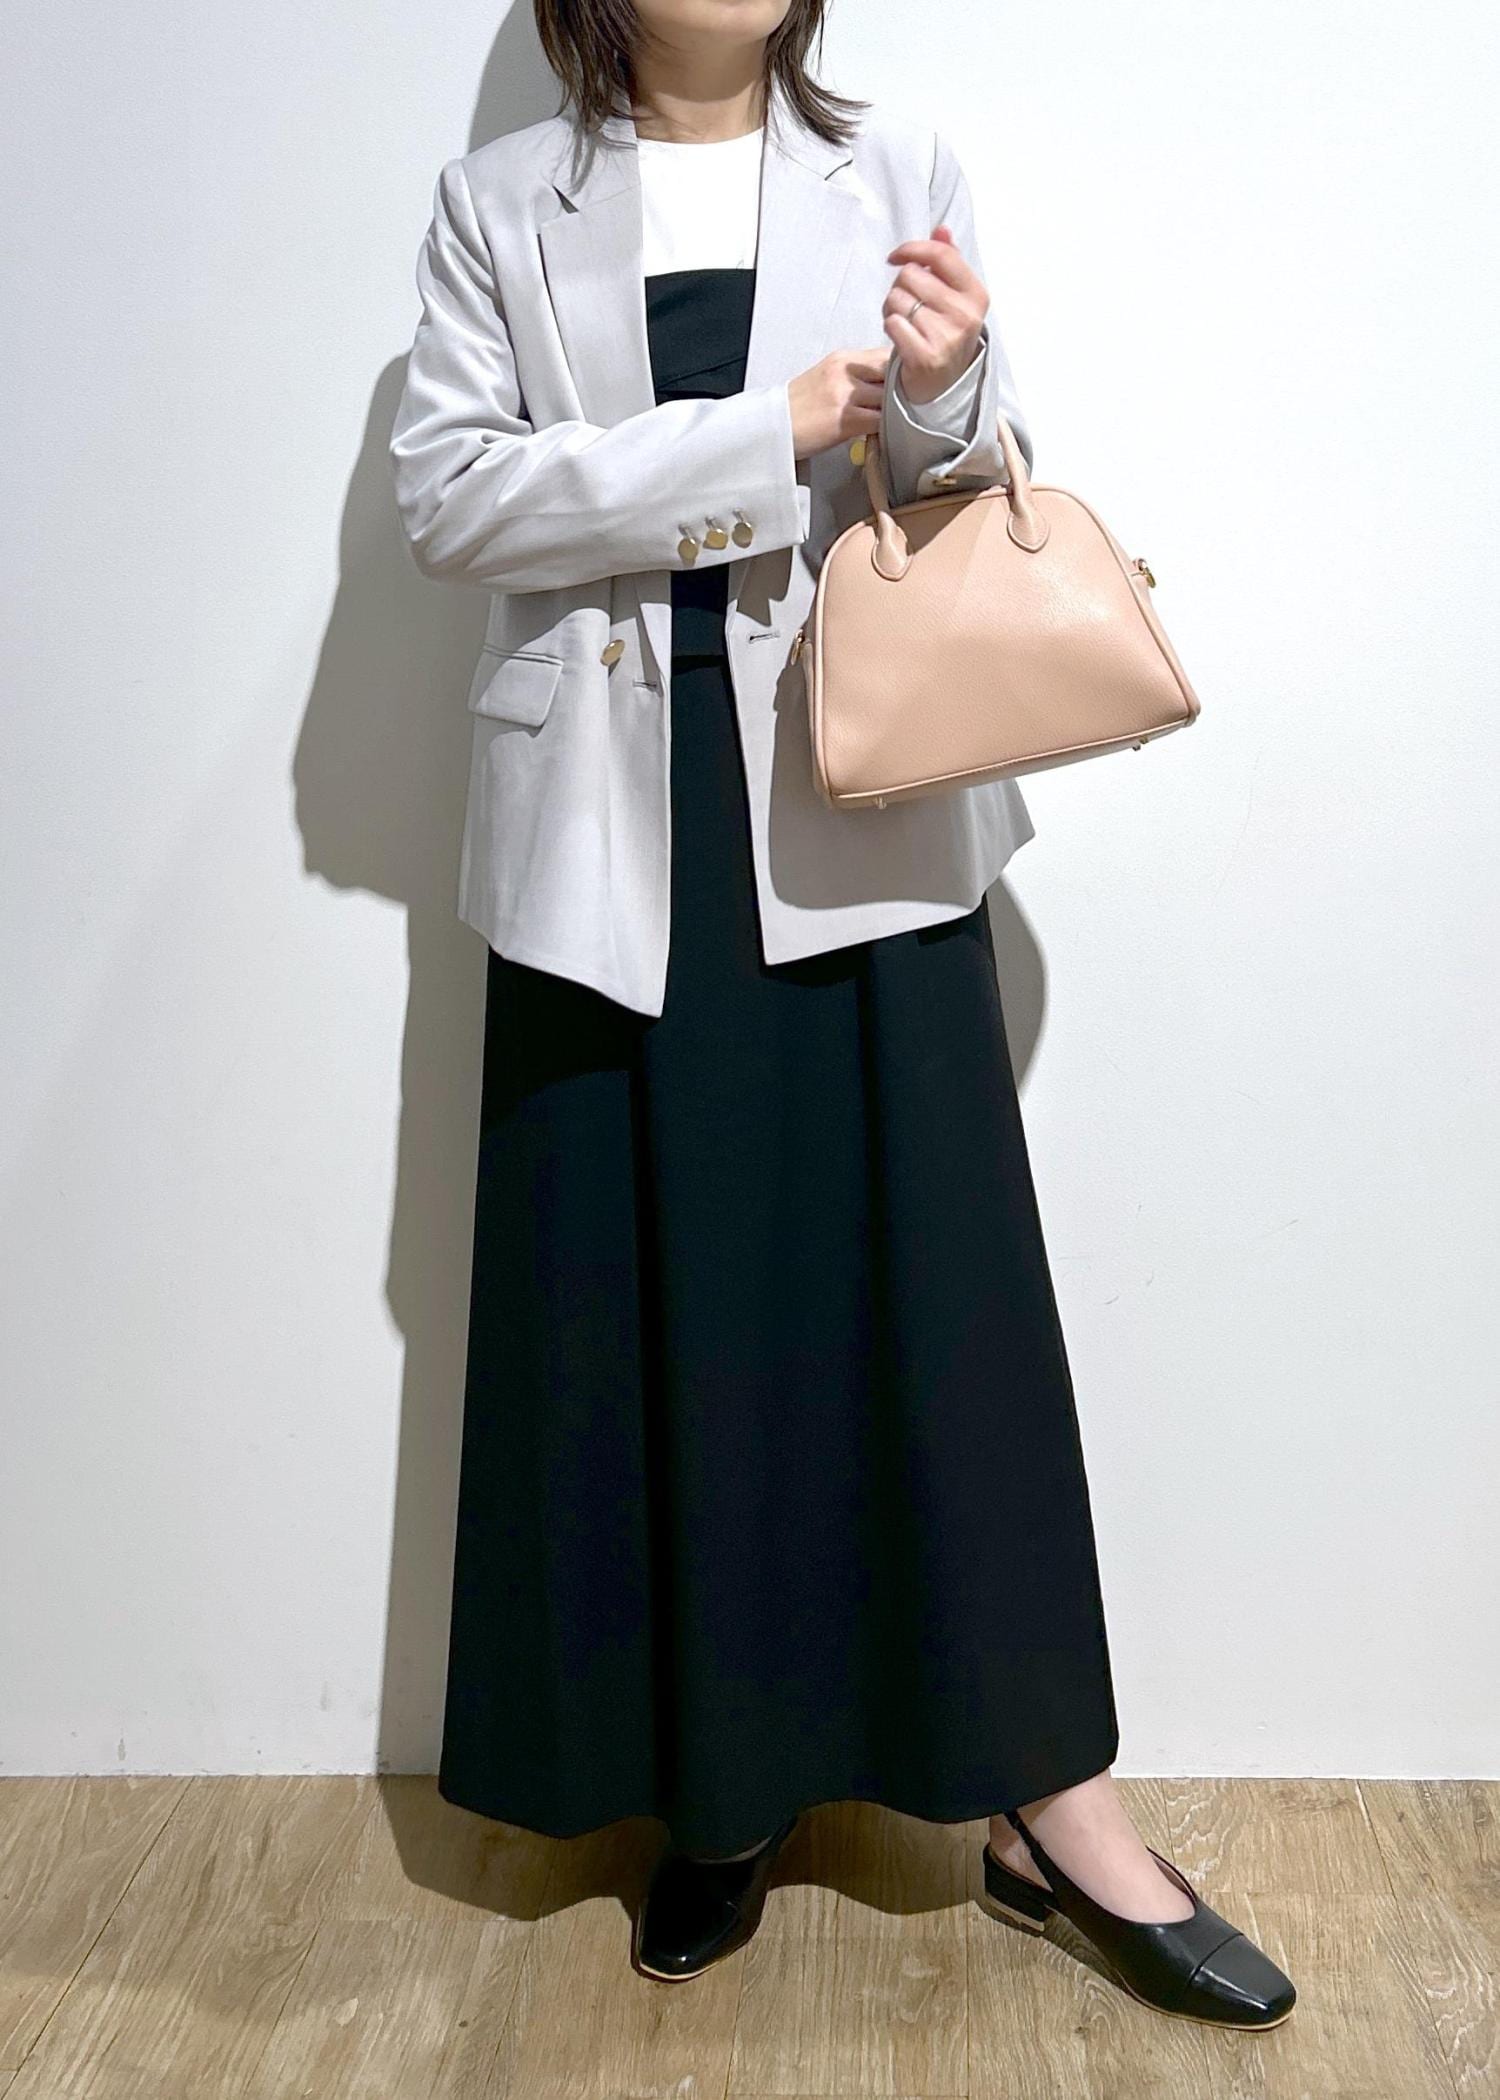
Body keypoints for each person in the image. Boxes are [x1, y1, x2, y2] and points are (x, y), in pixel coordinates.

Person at [387, 0, 1296, 2031]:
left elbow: (961, 484)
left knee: (939, 1309)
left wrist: (949, 395)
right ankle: (720, 1793)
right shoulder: (495, 204)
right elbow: (447, 498)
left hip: (854, 801)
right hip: (609, 848)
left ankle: (1053, 1804)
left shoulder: (898, 167)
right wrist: (759, 433)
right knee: (671, 1314)